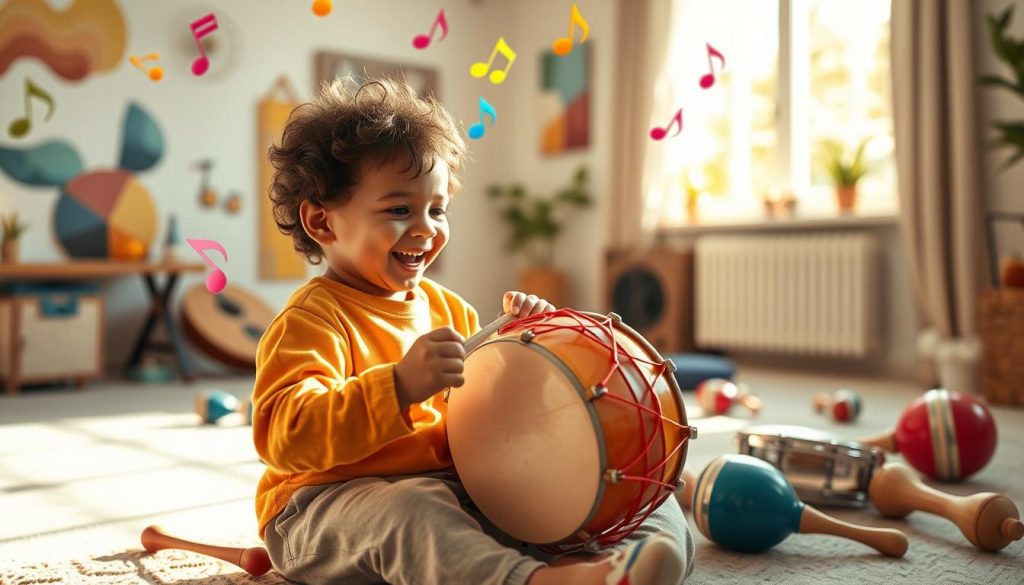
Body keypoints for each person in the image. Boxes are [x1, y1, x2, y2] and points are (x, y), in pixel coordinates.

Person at [253, 76, 694, 585]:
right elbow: (283, 438)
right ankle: (531, 581)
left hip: (453, 491)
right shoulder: (312, 318)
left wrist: (524, 338)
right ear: (322, 223)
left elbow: (488, 413)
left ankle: (623, 565)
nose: (426, 227)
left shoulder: (449, 309)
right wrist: (397, 386)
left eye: (436, 209)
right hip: (321, 508)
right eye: (399, 209)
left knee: (633, 493)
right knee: (413, 509)